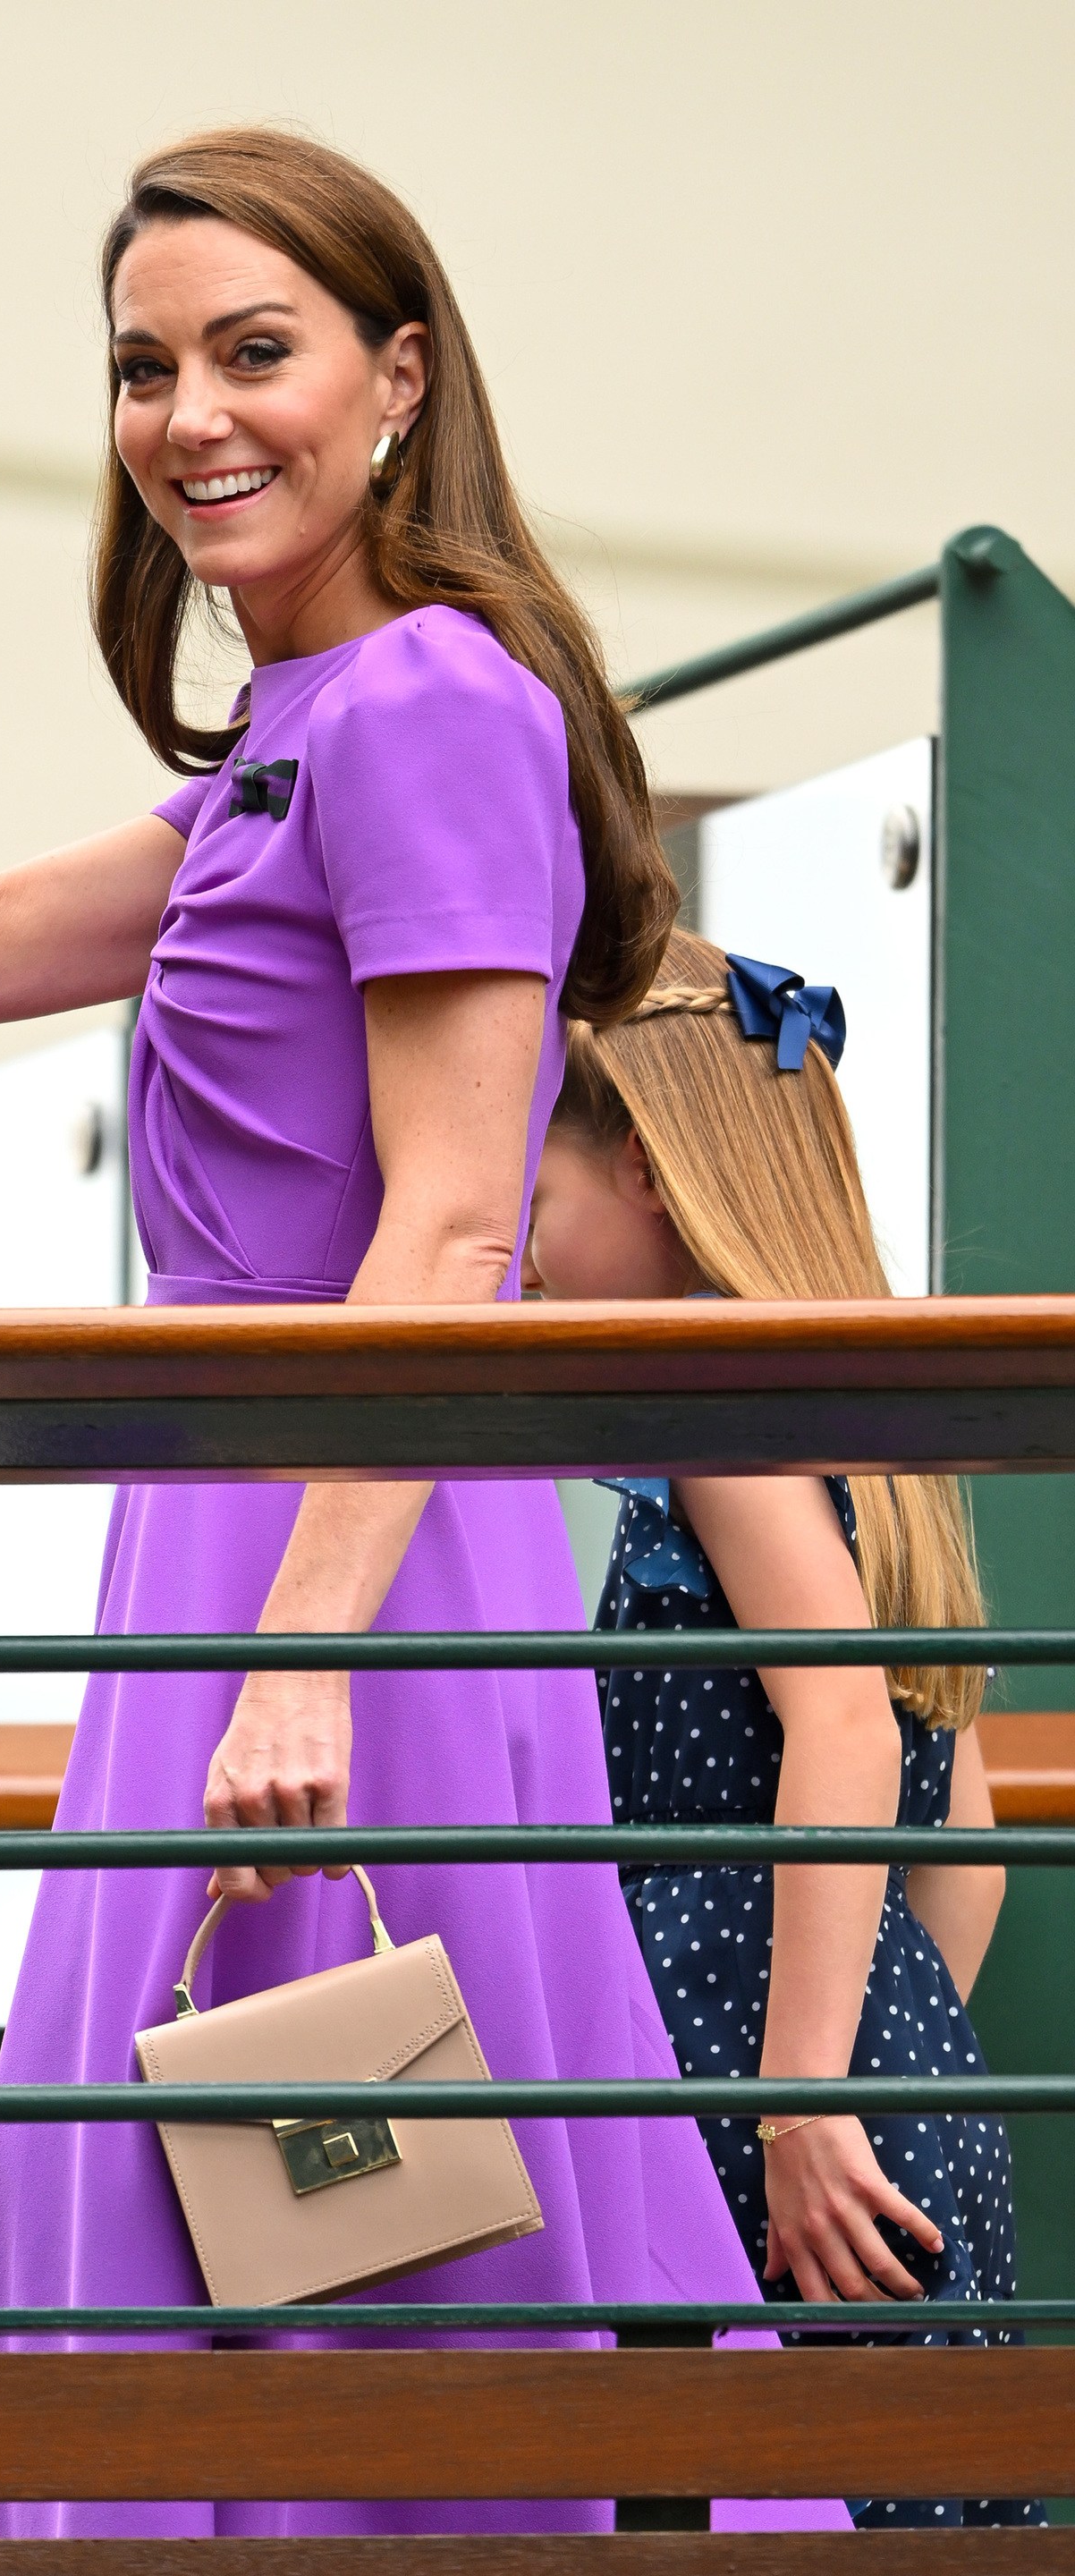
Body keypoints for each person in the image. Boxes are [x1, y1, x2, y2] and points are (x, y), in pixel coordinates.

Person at [0, 128, 846, 2542]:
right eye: (148, 367)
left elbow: (459, 1223)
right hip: (254, 1535)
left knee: (350, 2191)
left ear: (397, 380)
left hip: (344, 1548)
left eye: (253, 351)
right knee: (279, 2157)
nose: (191, 415)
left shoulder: (428, 706)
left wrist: (300, 1651)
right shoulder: (293, 733)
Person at [523, 925, 1041, 2531]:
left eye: (536, 1203)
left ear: (654, 1179)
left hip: (764, 2108)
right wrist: (885, 2061)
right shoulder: (870, 1449)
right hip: (896, 2084)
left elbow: (841, 1735)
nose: (515, 1253)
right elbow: (965, 1864)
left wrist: (801, 2096)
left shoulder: (715, 1423)